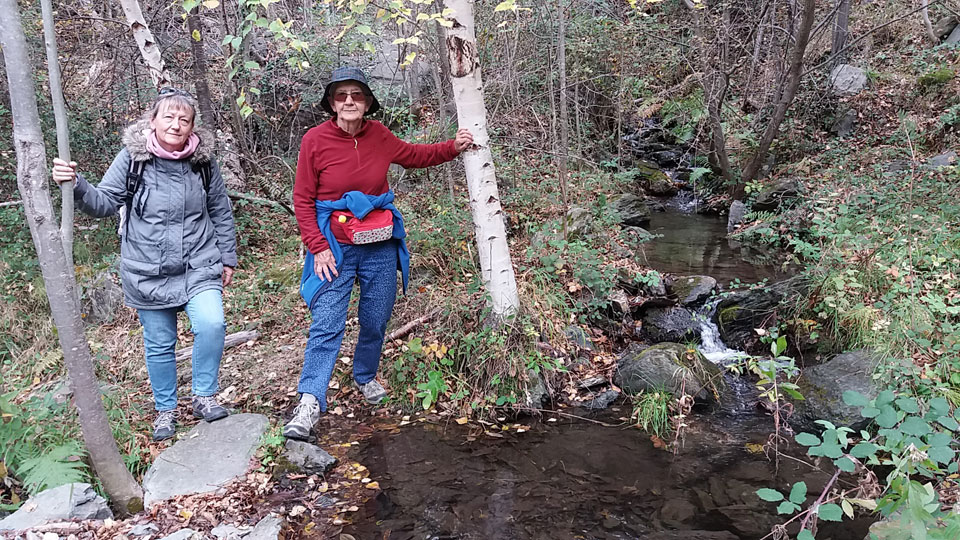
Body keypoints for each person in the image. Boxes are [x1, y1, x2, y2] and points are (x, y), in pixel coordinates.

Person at [284, 66, 473, 440]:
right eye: (342, 96)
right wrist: (318, 247)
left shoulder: (379, 135)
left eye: (357, 95)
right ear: (331, 103)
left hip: (379, 243)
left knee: (375, 317)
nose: (349, 101)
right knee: (327, 323)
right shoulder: (315, 140)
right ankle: (308, 401)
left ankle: (365, 375)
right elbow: (303, 199)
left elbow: (415, 155)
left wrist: (453, 147)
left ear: (368, 102)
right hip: (334, 246)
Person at [51, 88, 237, 442]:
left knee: (212, 324)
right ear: (152, 121)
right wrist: (76, 184)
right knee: (159, 343)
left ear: (193, 127)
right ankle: (166, 410)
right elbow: (104, 202)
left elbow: (220, 210)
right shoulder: (132, 159)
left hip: (198, 262)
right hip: (145, 270)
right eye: (168, 117)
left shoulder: (203, 161)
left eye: (184, 119)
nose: (176, 124)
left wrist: (227, 256)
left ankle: (204, 396)